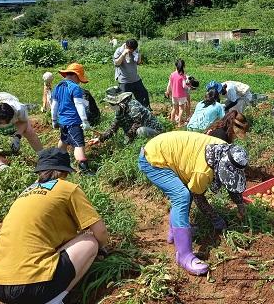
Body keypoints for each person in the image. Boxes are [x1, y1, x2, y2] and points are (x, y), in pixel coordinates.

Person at [0, 148, 109, 304]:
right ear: (65, 172)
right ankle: (55, 301)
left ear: (40, 172)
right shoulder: (68, 188)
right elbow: (101, 231)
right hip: (33, 287)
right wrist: (103, 249)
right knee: (90, 242)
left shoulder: (24, 193)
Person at [138, 131, 248, 275]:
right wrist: (217, 220)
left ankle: (174, 234)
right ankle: (184, 256)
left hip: (168, 152)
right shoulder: (203, 171)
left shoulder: (226, 150)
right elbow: (199, 198)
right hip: (154, 159)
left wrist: (240, 204)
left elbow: (232, 176)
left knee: (184, 194)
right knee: (182, 196)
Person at [51, 63, 92, 174]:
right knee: (79, 144)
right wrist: (85, 121)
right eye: (79, 78)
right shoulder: (75, 88)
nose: (79, 81)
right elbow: (79, 105)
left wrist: (54, 120)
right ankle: (84, 170)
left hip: (62, 122)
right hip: (73, 122)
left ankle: (58, 161)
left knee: (64, 140)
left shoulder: (57, 87)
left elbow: (54, 106)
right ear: (75, 75)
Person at [89, 87, 163, 145]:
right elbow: (114, 127)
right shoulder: (120, 110)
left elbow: (137, 124)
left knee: (140, 131)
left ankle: (148, 145)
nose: (110, 105)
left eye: (110, 103)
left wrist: (127, 137)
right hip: (139, 132)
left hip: (154, 131)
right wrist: (100, 139)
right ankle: (135, 142)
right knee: (127, 127)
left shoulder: (133, 105)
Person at [113, 38, 150, 109]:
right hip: (124, 81)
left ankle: (146, 111)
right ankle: (125, 116)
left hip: (136, 79)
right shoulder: (119, 51)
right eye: (130, 49)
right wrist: (123, 54)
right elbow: (116, 63)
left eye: (133, 50)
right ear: (126, 46)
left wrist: (138, 55)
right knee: (124, 101)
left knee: (144, 95)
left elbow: (138, 63)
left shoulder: (135, 50)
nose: (132, 51)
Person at [166, 59, 188, 127]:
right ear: (183, 66)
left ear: (176, 65)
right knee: (181, 109)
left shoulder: (172, 74)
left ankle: (172, 122)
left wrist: (167, 91)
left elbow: (169, 84)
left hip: (174, 95)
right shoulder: (183, 75)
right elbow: (184, 86)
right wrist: (188, 86)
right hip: (181, 95)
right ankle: (179, 124)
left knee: (174, 108)